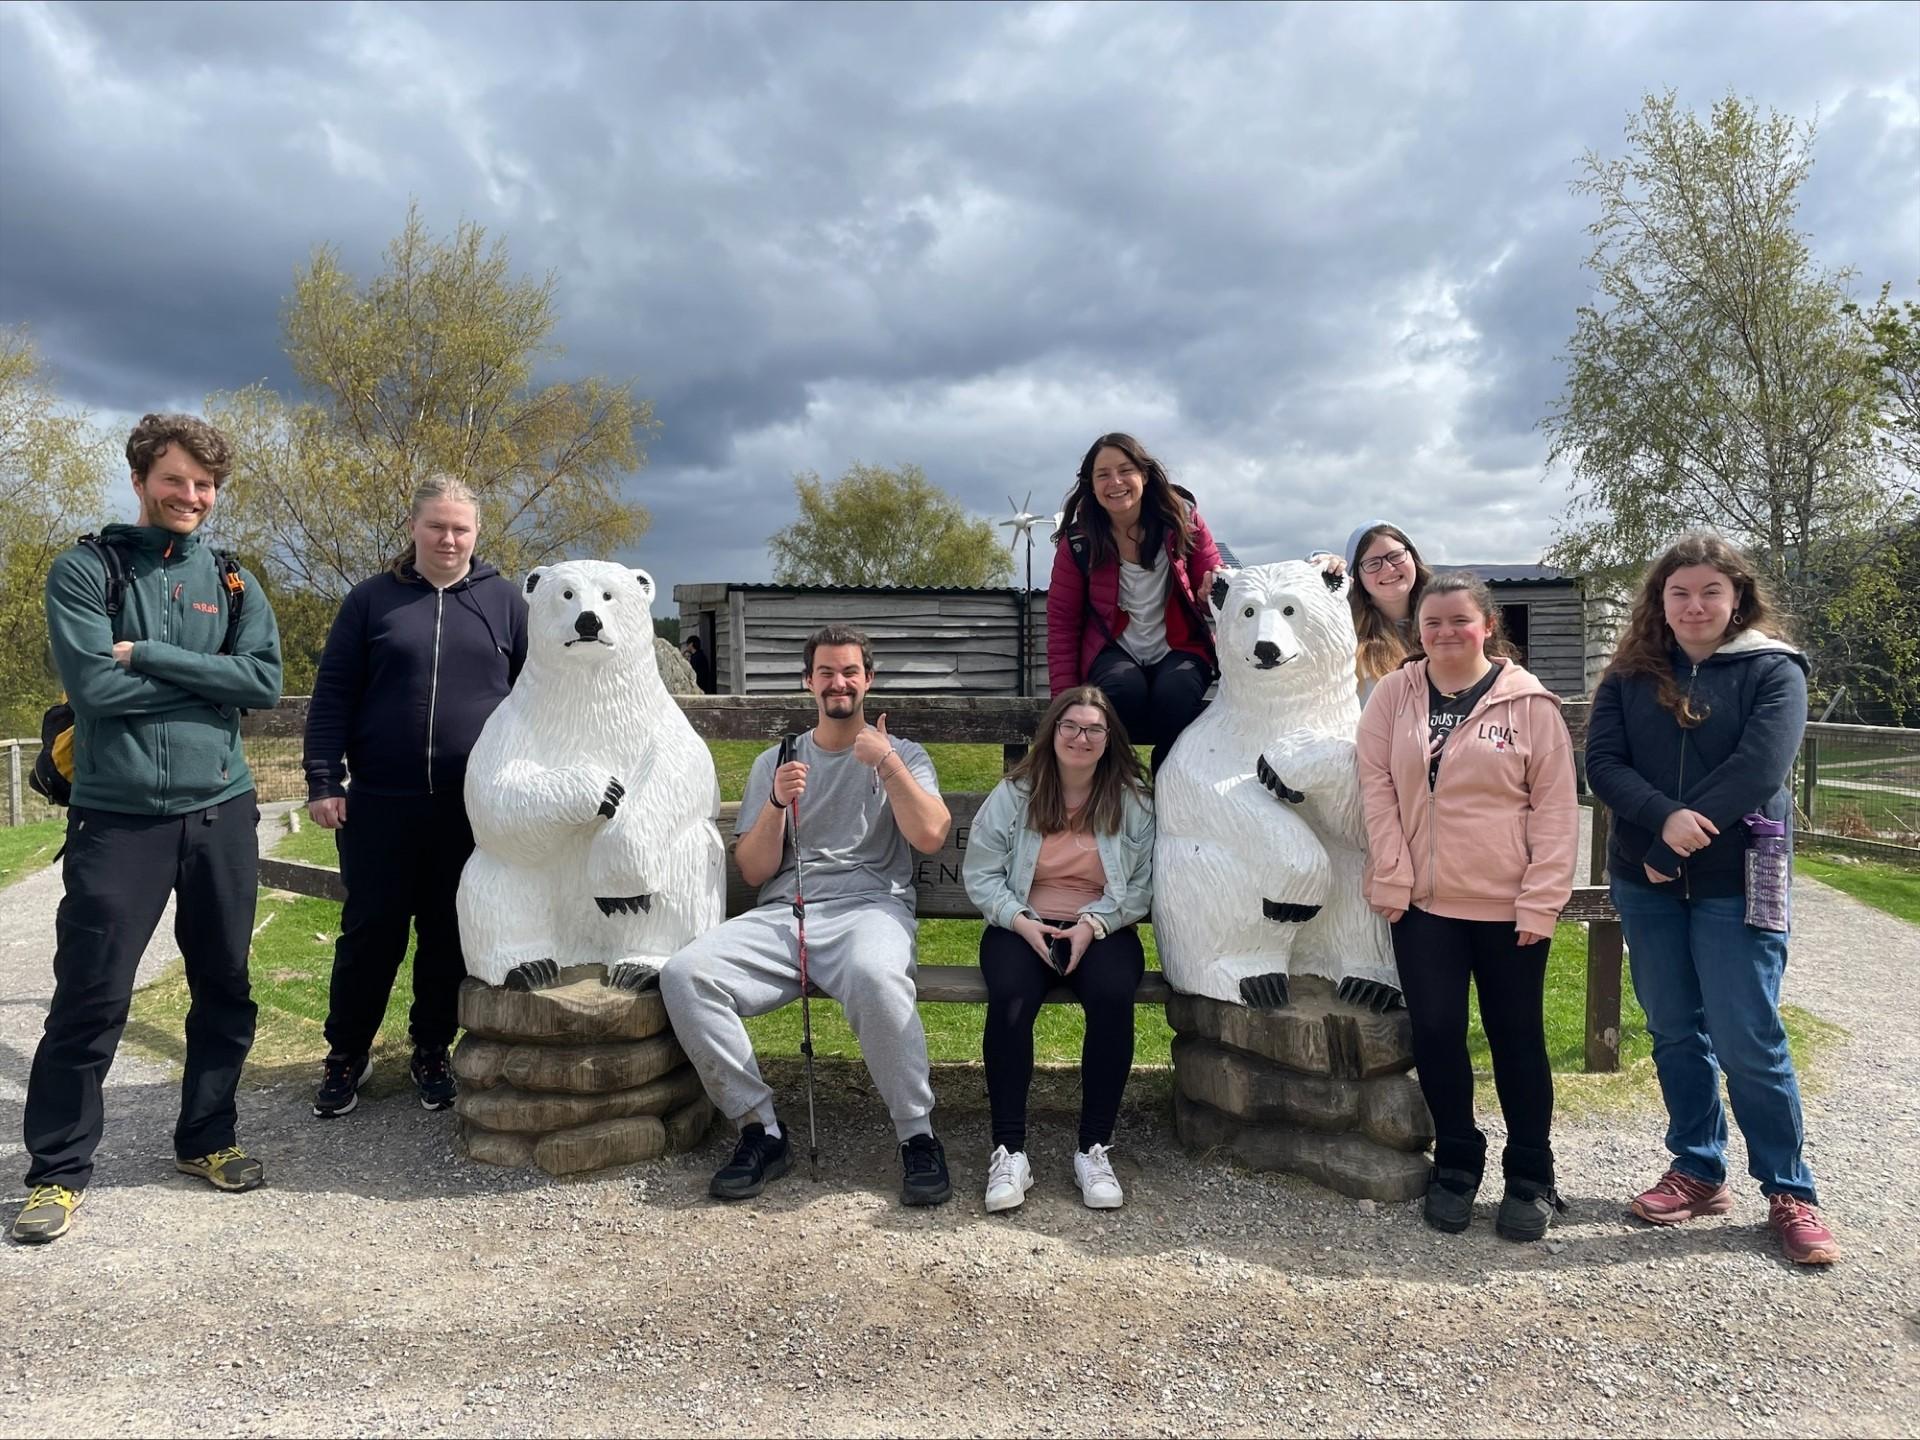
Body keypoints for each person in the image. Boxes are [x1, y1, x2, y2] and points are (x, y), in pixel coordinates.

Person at [13, 414, 284, 1245]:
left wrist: (154, 658)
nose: (192, 497)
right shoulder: (84, 568)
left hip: (221, 811)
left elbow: (266, 683)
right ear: (141, 480)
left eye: (205, 486)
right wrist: (212, 684)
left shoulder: (232, 580)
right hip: (118, 819)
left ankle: (206, 1138)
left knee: (225, 989)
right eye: (176, 480)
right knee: (91, 995)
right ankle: (57, 1173)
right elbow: (94, 691)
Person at [1585, 533, 1838, 1266]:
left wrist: (1673, 840)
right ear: (1659, 602)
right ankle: (1698, 1167)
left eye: (1709, 592)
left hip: (1737, 878)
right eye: (1678, 593)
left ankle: (1791, 1191)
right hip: (1647, 885)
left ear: (1736, 599)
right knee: (1672, 1029)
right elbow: (1603, 763)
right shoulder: (1629, 675)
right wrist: (1658, 821)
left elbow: (1759, 767)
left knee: (1747, 1036)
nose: (1694, 606)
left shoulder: (1772, 670)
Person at [660, 625, 955, 1205]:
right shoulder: (780, 759)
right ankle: (761, 1128)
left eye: (849, 671)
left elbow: (931, 835)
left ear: (868, 680)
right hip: (786, 912)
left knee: (876, 977)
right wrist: (775, 802)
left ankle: (917, 1135)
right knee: (685, 975)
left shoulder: (904, 754)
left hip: (871, 911)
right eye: (826, 672)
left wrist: (887, 764)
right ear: (808, 682)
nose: (838, 682)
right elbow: (753, 869)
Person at [1357, 571, 1577, 1242]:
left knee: (1517, 1042)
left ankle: (1531, 1174)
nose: (1446, 633)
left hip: (1509, 910)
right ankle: (1457, 1161)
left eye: (1460, 620)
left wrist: (1541, 902)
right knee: (1439, 1037)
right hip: (1424, 909)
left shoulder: (1531, 706)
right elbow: (1375, 786)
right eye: (1432, 623)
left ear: (1487, 625)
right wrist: (1393, 872)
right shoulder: (1395, 695)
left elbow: (1556, 812)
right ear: (1416, 632)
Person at [302, 475, 527, 1119]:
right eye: (437, 526)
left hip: (469, 808)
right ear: (413, 527)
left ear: (476, 533)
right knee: (370, 933)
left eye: (461, 528)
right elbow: (334, 695)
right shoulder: (372, 601)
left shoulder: (505, 603)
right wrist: (324, 778)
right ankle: (347, 1053)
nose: (449, 539)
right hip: (379, 802)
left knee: (447, 935)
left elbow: (534, 702)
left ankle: (431, 1049)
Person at [963, 686, 1154, 1213]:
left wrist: (1092, 926)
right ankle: (1009, 1151)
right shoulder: (1017, 793)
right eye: (1071, 726)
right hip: (1022, 923)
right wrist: (1024, 924)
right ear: (1053, 732)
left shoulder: (1132, 800)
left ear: (1109, 738)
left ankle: (1094, 1149)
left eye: (1094, 728)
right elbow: (981, 874)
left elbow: (1140, 884)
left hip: (1100, 927)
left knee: (1114, 996)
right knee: (1011, 999)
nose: (1081, 737)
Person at [1045, 433, 1223, 772]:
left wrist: (1210, 590)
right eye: (1103, 474)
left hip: (1180, 647)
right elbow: (1063, 624)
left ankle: (1170, 786)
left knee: (1177, 691)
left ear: (1144, 474)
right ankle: (1117, 785)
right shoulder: (1079, 541)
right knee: (1120, 691)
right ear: (1091, 485)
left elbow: (1219, 582)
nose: (1115, 482)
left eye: (1125, 470)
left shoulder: (1184, 522)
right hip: (1114, 650)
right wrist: (1064, 702)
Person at [1345, 520, 1434, 705]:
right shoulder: (1348, 641)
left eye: (1396, 555)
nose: (1388, 568)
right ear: (1357, 576)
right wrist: (1320, 565)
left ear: (1413, 557)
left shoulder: (1447, 623)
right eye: (1372, 563)